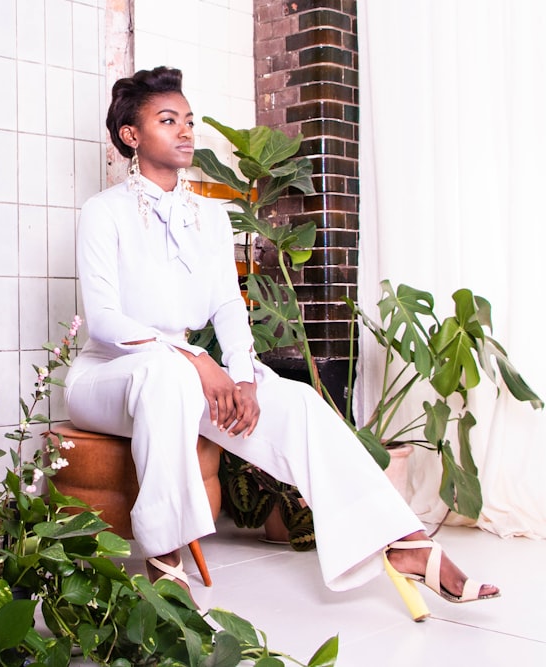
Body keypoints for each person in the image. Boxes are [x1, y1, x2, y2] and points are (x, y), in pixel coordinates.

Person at [63, 66, 498, 615]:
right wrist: (197, 359)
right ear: (131, 135)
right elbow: (103, 320)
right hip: (110, 374)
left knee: (294, 402)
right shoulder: (103, 213)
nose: (185, 132)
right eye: (167, 120)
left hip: (183, 376)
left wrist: (242, 377)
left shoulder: (211, 218)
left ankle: (403, 542)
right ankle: (163, 561)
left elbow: (226, 305)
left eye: (189, 121)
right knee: (167, 373)